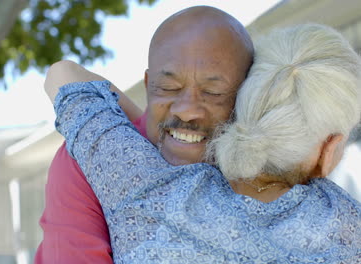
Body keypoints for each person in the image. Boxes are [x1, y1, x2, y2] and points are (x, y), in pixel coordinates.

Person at [46, 23, 361, 263]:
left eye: (211, 93)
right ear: (329, 147)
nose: (187, 109)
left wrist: (149, 121)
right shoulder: (348, 225)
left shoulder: (144, 183)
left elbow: (65, 76)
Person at [34, 6, 253, 263]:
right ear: (149, 86)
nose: (186, 111)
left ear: (247, 95)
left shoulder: (268, 163)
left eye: (213, 92)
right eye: (168, 87)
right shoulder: (89, 156)